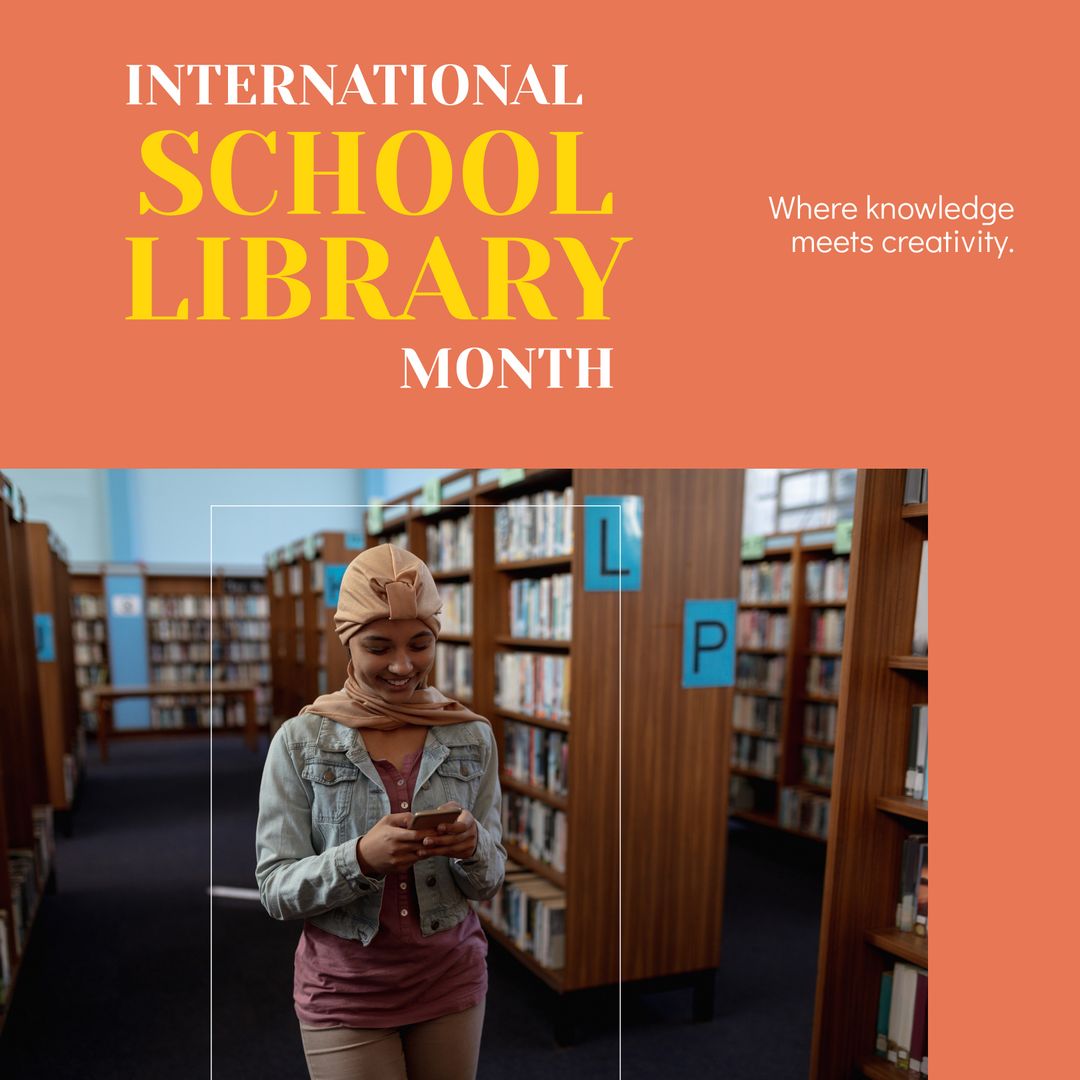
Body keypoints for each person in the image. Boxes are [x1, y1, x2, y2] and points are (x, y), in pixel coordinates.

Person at [256, 544, 505, 1080]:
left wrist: (473, 847)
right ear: (347, 642)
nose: (402, 665)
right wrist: (360, 860)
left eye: (421, 644)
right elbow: (275, 889)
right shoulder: (301, 741)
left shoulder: (470, 735)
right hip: (345, 990)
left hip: (451, 979)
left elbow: (491, 878)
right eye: (378, 647)